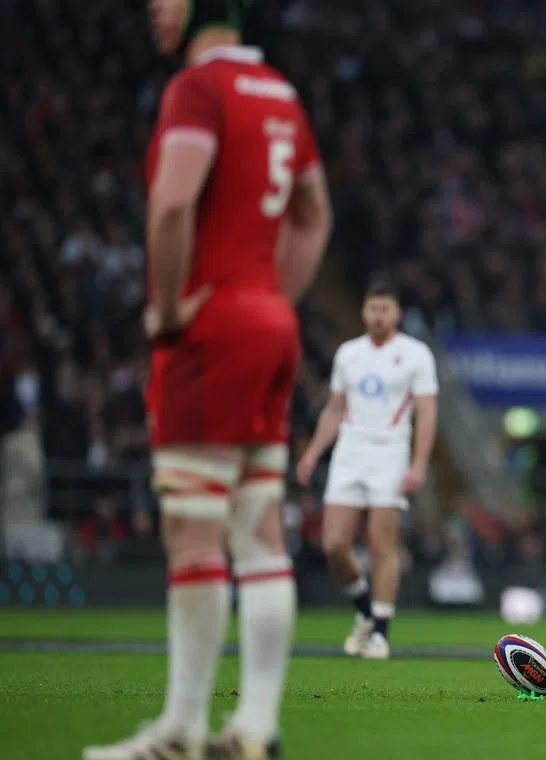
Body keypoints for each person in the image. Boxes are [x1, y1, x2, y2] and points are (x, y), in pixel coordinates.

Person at [84, 0, 332, 757]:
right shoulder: (281, 92)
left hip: (211, 327)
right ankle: (255, 726)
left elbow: (170, 207)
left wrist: (166, 309)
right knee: (258, 532)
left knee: (192, 528)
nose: (153, 9)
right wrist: (273, 296)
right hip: (269, 325)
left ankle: (182, 729)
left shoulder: (197, 89)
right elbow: (315, 212)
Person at [296, 281, 439, 659]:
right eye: (372, 309)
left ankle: (381, 633)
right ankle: (365, 613)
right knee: (333, 545)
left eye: (384, 309)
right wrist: (313, 453)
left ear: (397, 313)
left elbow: (426, 412)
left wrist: (418, 463)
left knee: (381, 541)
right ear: (363, 311)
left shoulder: (415, 355)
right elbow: (334, 409)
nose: (378, 316)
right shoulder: (349, 354)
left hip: (390, 451)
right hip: (349, 451)